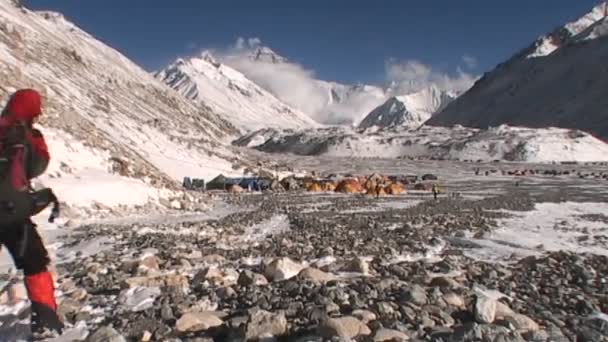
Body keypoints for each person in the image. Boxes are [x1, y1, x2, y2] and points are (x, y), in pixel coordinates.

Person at [0, 89, 63, 335]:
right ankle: (45, 323)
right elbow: (38, 166)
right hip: (13, 213)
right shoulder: (26, 134)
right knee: (35, 263)